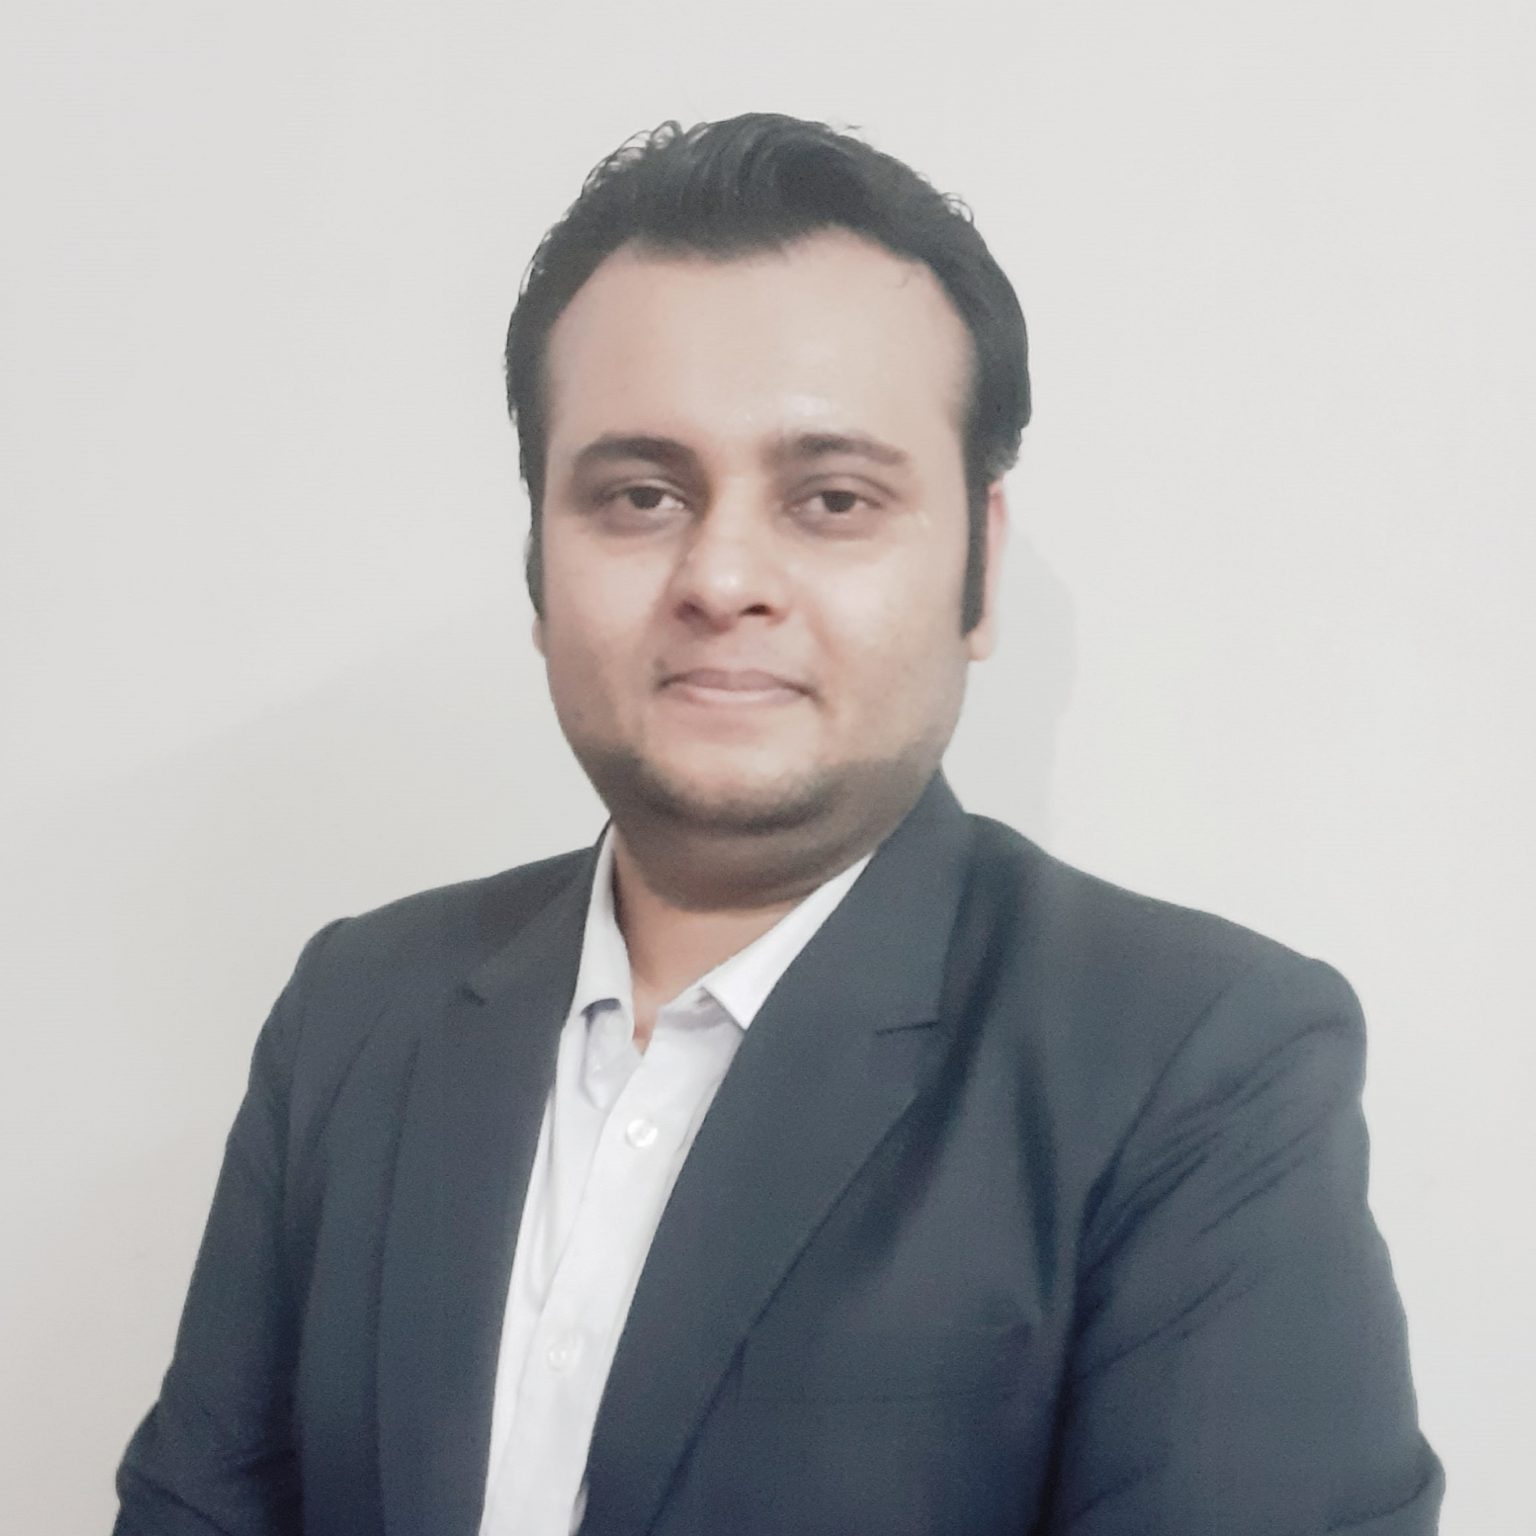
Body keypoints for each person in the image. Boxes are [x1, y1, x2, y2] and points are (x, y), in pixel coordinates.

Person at [113, 113, 1443, 1536]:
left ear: (979, 569)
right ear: (538, 561)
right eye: (639, 495)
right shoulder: (358, 1012)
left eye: (831, 499)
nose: (721, 576)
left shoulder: (1198, 1063)